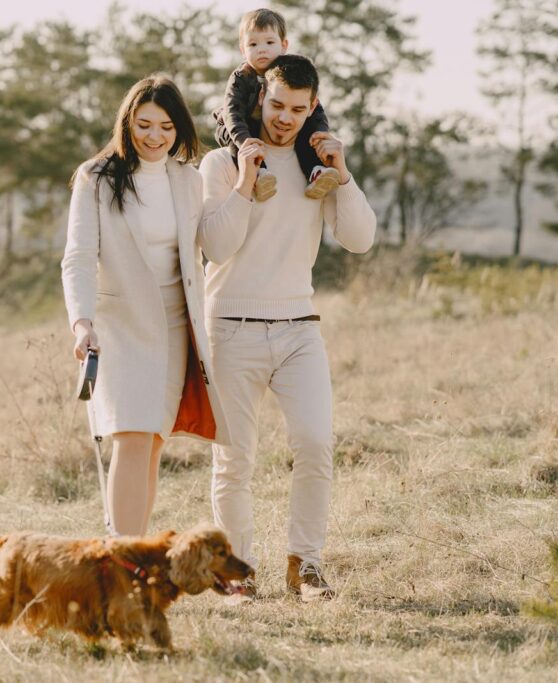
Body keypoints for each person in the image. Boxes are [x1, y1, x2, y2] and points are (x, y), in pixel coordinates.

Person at [199, 54, 376, 601]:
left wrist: (342, 174)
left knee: (317, 444)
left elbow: (360, 238)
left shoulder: (314, 160)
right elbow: (218, 246)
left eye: (299, 109)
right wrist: (246, 182)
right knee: (235, 459)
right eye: (277, 105)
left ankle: (307, 565)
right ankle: (238, 572)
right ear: (259, 99)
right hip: (230, 325)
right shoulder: (220, 162)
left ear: (313, 107)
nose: (285, 118)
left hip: (299, 326)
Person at [61, 75, 232, 537]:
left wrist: (245, 189)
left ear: (179, 129)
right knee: (132, 440)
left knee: (152, 444)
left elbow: (211, 245)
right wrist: (81, 323)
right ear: (127, 124)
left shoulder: (188, 180)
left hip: (177, 327)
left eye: (166, 126)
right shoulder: (95, 178)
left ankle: (133, 559)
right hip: (120, 328)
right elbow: (77, 257)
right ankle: (123, 560)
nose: (154, 136)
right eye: (144, 124)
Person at [212, 8, 339, 202]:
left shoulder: (289, 73)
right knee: (240, 143)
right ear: (242, 49)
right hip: (236, 125)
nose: (261, 49)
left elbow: (316, 110)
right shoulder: (241, 76)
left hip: (266, 126)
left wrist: (320, 134)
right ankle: (259, 175)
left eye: (269, 42)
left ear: (283, 45)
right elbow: (232, 112)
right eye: (253, 44)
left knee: (304, 138)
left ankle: (315, 172)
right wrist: (244, 140)